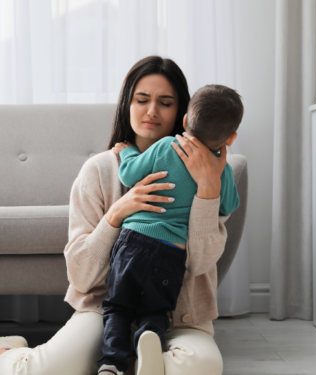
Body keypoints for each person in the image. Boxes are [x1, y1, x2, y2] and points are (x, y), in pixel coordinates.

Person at [0, 56, 234, 375]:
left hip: (180, 315)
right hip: (104, 312)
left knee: (202, 366)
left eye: (165, 102)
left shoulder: (211, 170)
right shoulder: (99, 170)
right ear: (127, 104)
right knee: (39, 371)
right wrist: (117, 213)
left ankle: (128, 361)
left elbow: (201, 263)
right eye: (142, 100)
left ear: (183, 114)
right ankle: (10, 351)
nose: (152, 111)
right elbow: (81, 275)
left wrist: (208, 189)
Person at [97, 83, 242, 374]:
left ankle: (111, 364)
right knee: (156, 310)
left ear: (185, 120)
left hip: (134, 241)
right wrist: (216, 177)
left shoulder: (165, 146)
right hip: (173, 253)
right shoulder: (220, 171)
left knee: (118, 308)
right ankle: (148, 339)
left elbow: (128, 172)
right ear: (231, 138)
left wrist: (126, 152)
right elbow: (228, 206)